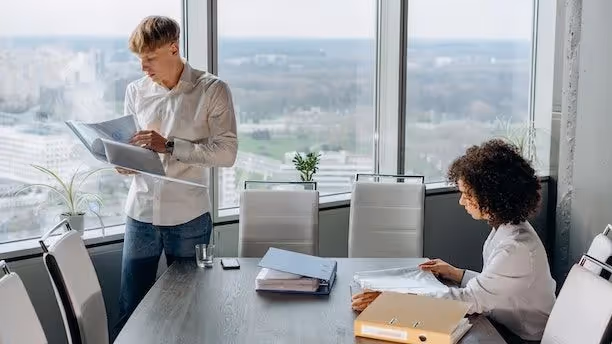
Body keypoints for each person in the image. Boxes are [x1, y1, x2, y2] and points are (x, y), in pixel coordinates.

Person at [351, 139, 556, 343]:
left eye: (467, 194)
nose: (461, 201)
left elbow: (468, 301)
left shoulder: (515, 249)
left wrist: (390, 301)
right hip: (502, 323)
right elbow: (494, 285)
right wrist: (457, 274)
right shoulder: (509, 228)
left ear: (492, 196)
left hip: (519, 337)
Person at [114, 16, 237, 335]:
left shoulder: (212, 89)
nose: (144, 68)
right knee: (131, 307)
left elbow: (227, 152)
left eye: (150, 59)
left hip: (189, 217)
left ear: (174, 48)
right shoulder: (135, 91)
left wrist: (169, 145)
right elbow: (135, 149)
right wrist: (125, 161)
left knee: (191, 306)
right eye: (140, 60)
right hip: (140, 213)